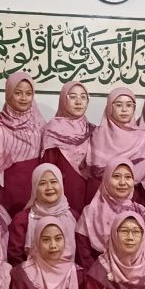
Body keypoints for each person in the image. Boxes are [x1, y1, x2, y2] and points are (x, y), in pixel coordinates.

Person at [0, 72, 44, 215]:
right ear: (9, 94)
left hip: (34, 193)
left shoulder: (40, 126)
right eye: (18, 93)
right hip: (3, 194)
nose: (24, 98)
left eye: (28, 93)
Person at [74, 159, 145, 269]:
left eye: (128, 177)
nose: (122, 182)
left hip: (135, 273)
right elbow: (83, 254)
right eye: (116, 176)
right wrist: (101, 275)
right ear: (106, 179)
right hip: (98, 274)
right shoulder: (90, 212)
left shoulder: (140, 212)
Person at [88, 87, 145, 202]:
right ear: (110, 107)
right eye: (119, 105)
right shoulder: (97, 135)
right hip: (100, 196)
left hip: (133, 196)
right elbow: (91, 171)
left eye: (129, 105)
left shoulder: (143, 136)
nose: (124, 109)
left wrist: (125, 181)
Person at [40, 81, 96, 214]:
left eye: (83, 97)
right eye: (73, 97)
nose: (79, 102)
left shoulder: (93, 130)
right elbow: (48, 169)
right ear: (63, 100)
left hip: (90, 194)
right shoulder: (52, 130)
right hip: (63, 192)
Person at [8, 163, 77, 265]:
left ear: (61, 184)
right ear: (34, 187)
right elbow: (15, 257)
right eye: (42, 183)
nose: (49, 187)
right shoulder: (22, 219)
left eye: (54, 181)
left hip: (70, 272)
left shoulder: (73, 216)